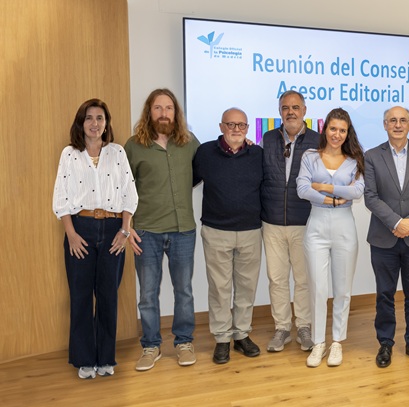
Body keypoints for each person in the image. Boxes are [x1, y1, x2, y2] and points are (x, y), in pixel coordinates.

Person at [53, 98, 138, 379]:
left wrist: (125, 230)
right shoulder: (69, 154)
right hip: (80, 229)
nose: (94, 123)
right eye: (89, 118)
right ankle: (84, 359)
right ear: (81, 123)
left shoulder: (117, 152)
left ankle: (105, 358)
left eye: (100, 118)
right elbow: (61, 198)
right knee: (80, 296)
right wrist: (71, 234)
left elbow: (129, 194)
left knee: (107, 295)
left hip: (113, 230)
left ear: (106, 123)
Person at [125, 88, 201, 371]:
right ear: (149, 112)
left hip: (183, 230)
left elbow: (203, 170)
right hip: (147, 232)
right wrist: (127, 226)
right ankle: (151, 346)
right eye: (158, 108)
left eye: (168, 108)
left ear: (175, 112)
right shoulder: (134, 146)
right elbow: (124, 187)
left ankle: (184, 342)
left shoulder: (189, 142)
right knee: (147, 294)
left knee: (184, 290)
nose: (164, 113)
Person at [364, 106, 409, 368]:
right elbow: (370, 196)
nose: (398, 124)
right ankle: (385, 343)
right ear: (385, 125)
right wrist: (396, 222)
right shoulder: (372, 156)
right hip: (383, 238)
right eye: (392, 120)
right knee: (384, 294)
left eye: (403, 120)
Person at [193, 108, 264, 364]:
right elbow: (189, 181)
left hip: (250, 231)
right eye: (231, 124)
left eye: (241, 125)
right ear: (221, 126)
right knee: (219, 289)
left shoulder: (257, 154)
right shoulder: (205, 153)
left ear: (247, 128)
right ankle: (222, 339)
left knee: (246, 288)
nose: (236, 129)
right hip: (216, 231)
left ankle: (241, 335)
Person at [296, 108, 365, 367]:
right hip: (316, 225)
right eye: (333, 128)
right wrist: (333, 199)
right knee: (318, 288)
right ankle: (318, 343)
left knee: (343, 289)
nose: (337, 134)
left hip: (344, 227)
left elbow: (357, 191)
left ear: (348, 133)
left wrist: (323, 186)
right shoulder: (310, 156)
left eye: (342, 130)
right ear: (325, 129)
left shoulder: (354, 159)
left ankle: (337, 341)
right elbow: (302, 189)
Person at [261, 90, 320, 353]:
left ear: (304, 111)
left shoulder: (318, 141)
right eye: (285, 108)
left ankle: (304, 326)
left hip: (304, 221)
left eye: (296, 107)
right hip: (272, 221)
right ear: (280, 111)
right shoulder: (268, 138)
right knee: (276, 279)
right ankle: (282, 328)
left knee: (303, 279)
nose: (291, 112)